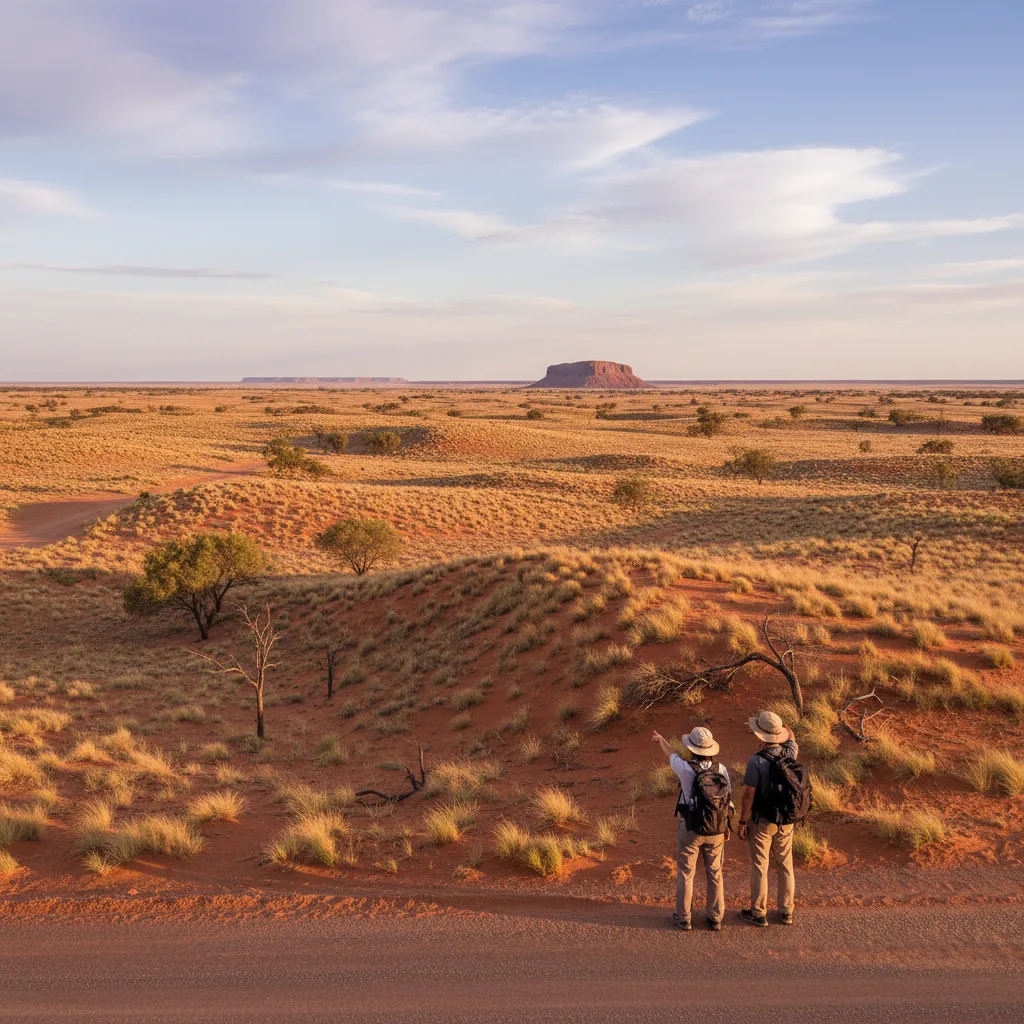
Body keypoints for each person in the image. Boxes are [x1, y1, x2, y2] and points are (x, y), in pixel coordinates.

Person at [652, 726, 733, 932]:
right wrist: (726, 826)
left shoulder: (686, 769)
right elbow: (728, 802)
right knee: (715, 872)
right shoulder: (721, 769)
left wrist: (661, 738)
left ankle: (684, 917)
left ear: (692, 749)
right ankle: (715, 917)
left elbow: (671, 753)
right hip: (716, 828)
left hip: (691, 827)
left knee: (686, 873)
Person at [738, 710, 799, 927]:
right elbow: (790, 734)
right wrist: (780, 728)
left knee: (760, 866)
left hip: (762, 820)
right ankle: (786, 911)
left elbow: (748, 795)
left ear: (761, 735)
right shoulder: (790, 752)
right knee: (785, 865)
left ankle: (759, 912)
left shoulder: (756, 760)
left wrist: (742, 821)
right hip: (787, 820)